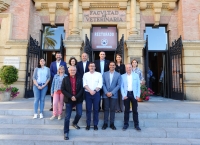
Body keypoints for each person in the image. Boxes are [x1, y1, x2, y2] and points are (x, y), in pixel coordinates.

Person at [61, 66, 84, 140]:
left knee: (79, 113)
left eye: (74, 70)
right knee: (67, 117)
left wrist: (76, 97)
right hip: (69, 98)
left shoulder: (80, 78)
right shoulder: (65, 79)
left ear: (76, 70)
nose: (73, 71)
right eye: (71, 70)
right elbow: (63, 89)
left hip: (78, 98)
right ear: (68, 71)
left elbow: (81, 89)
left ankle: (74, 123)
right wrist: (71, 96)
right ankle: (66, 132)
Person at [121, 64, 141, 131]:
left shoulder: (136, 75)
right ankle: (126, 124)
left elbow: (138, 86)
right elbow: (122, 87)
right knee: (126, 110)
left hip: (134, 94)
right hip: (126, 94)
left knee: (135, 110)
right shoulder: (122, 76)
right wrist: (124, 95)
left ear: (131, 68)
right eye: (127, 68)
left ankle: (136, 125)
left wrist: (138, 95)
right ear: (125, 69)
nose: (128, 69)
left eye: (129, 67)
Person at [83, 62, 102, 131]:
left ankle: (95, 124)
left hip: (96, 94)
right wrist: (90, 91)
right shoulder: (85, 74)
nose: (92, 67)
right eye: (90, 66)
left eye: (93, 66)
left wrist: (94, 91)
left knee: (96, 109)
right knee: (88, 109)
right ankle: (88, 124)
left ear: (95, 67)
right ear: (88, 67)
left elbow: (100, 84)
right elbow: (84, 84)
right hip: (88, 94)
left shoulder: (99, 74)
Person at [102, 61, 121, 130]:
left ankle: (112, 124)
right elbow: (103, 84)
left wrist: (112, 93)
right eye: (111, 65)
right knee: (106, 109)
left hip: (114, 94)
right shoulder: (104, 74)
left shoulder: (118, 74)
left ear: (115, 66)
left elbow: (119, 85)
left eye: (113, 65)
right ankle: (105, 123)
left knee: (112, 109)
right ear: (109, 66)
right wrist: (106, 92)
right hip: (105, 94)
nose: (112, 66)